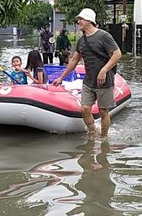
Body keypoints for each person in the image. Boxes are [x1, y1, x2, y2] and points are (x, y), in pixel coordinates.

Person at [52, 8, 122, 138]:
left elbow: (117, 54)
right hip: (89, 81)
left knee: (103, 111)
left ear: (89, 20)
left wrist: (104, 70)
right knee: (84, 109)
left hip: (104, 80)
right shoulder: (81, 41)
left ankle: (104, 138)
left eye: (80, 19)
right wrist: (61, 77)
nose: (78, 21)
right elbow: (73, 61)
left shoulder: (104, 36)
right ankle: (93, 132)